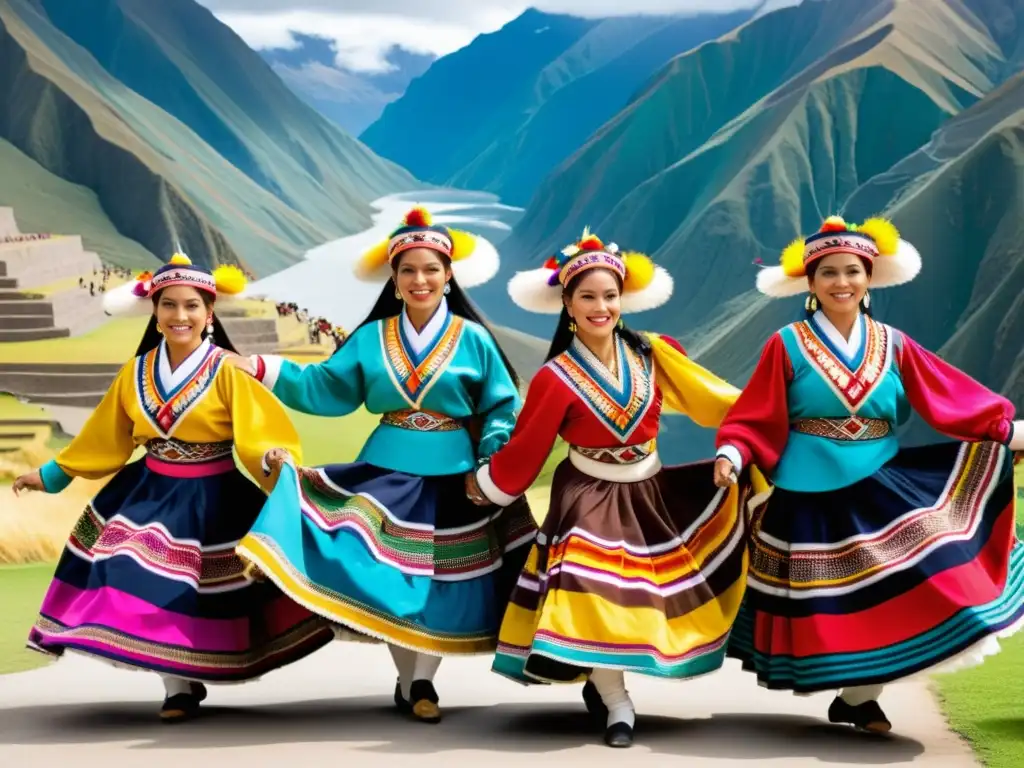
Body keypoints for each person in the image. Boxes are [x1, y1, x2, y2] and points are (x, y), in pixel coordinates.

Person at [713, 215, 1024, 733]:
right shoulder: (785, 344)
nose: (842, 282)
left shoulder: (895, 344)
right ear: (810, 283)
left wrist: (1003, 429)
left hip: (880, 478)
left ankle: (858, 696)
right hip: (809, 491)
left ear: (869, 277)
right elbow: (756, 416)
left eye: (852, 271)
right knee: (841, 604)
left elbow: (947, 395)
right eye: (829, 272)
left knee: (923, 574)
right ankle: (858, 696)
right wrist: (734, 453)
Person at [229, 207, 537, 724]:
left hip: (454, 477)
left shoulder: (474, 339)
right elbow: (325, 388)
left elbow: (501, 406)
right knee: (393, 582)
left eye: (431, 269)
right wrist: (263, 367)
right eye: (409, 271)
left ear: (448, 275)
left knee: (441, 585)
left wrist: (488, 463)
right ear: (394, 280)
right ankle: (410, 680)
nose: (420, 279)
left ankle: (421, 683)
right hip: (385, 469)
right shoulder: (371, 338)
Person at [465, 229, 768, 748]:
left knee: (648, 594)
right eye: (587, 296)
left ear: (622, 298)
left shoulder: (654, 355)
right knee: (588, 584)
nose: (600, 306)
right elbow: (528, 449)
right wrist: (488, 485)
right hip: (586, 492)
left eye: (609, 295)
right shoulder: (555, 378)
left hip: (650, 491)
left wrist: (737, 446)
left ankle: (604, 675)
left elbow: (716, 400)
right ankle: (619, 704)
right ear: (566, 302)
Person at [12, 254, 333, 723]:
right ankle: (176, 686)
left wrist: (272, 459)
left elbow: (259, 433)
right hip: (147, 493)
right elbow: (107, 436)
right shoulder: (135, 373)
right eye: (168, 305)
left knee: (202, 593)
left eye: (191, 306)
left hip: (215, 496)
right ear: (155, 311)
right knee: (131, 573)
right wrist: (52, 474)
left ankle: (188, 679)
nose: (179, 315)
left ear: (209, 314)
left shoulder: (230, 372)